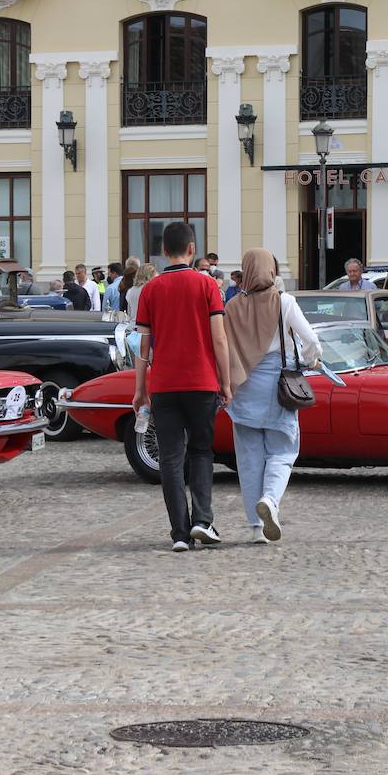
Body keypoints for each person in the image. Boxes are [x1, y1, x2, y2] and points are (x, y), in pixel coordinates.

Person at [133, 222, 231, 552]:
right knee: (201, 451)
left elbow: (142, 347)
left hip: (164, 385)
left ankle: (179, 532)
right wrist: (226, 382)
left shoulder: (150, 290)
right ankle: (203, 521)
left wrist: (139, 389)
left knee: (171, 458)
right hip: (202, 382)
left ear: (163, 252)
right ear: (192, 249)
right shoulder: (207, 287)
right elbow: (219, 338)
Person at [223, 249, 320, 544]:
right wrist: (309, 360)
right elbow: (312, 341)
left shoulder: (232, 307)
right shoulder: (285, 303)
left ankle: (255, 528)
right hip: (277, 390)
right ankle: (271, 501)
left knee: (249, 459)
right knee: (282, 452)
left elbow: (223, 348)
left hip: (243, 390)